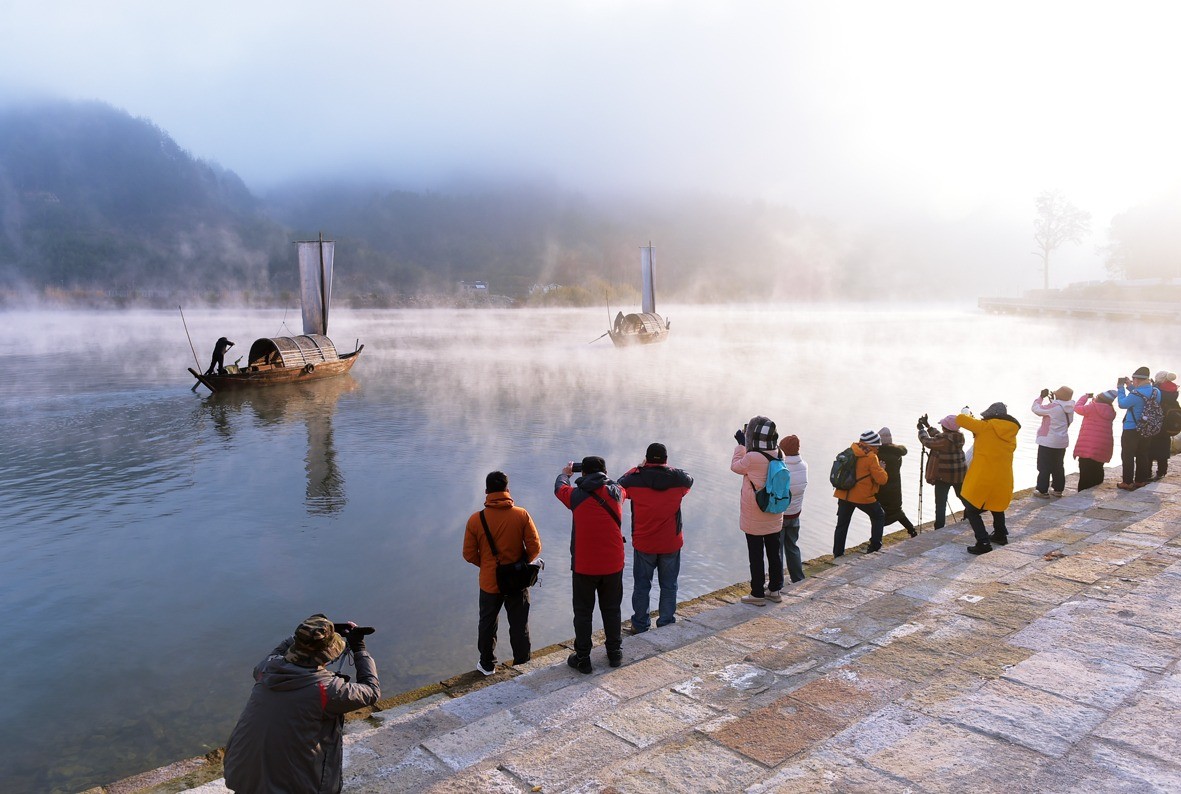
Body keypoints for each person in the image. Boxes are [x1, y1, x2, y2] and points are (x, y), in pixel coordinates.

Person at [223, 614, 380, 794]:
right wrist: (360, 649)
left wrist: (308, 635)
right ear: (328, 654)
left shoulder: (265, 669)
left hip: (240, 776)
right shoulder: (325, 690)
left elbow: (278, 652)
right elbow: (371, 691)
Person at [463, 470, 542, 676]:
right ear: (507, 490)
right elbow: (535, 547)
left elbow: (468, 554)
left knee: (487, 623)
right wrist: (520, 563)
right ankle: (522, 662)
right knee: (519, 623)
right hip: (517, 580)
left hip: (490, 582)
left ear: (486, 491)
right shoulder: (521, 514)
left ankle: (487, 665)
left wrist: (488, 566)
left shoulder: (475, 520)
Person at [555, 456, 626, 673]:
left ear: (582, 473)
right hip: (613, 563)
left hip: (584, 565)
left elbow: (559, 488)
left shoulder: (575, 496)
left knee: (583, 612)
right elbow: (623, 484)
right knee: (612, 609)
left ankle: (583, 658)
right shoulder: (617, 493)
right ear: (605, 472)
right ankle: (614, 653)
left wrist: (566, 474)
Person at [617, 443, 693, 633]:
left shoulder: (635, 479)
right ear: (666, 460)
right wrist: (668, 469)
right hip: (671, 542)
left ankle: (640, 625)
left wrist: (639, 468)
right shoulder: (678, 480)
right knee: (669, 585)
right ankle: (666, 623)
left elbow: (618, 486)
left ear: (647, 459)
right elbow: (689, 479)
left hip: (644, 543)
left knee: (642, 586)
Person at [731, 416, 785, 605]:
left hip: (755, 514)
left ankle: (757, 594)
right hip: (774, 510)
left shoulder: (752, 457)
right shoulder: (779, 453)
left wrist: (741, 445)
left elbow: (735, 466)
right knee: (774, 552)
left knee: (756, 554)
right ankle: (775, 590)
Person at [957, 402, 1020, 555]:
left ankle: (983, 542)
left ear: (991, 416)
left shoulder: (986, 426)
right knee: (996, 505)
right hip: (1003, 479)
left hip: (983, 478)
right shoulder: (1011, 433)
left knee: (971, 510)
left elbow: (960, 419)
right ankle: (1000, 534)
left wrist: (966, 413)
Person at [832, 430, 888, 557]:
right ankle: (874, 546)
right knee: (879, 515)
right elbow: (881, 480)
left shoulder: (849, 451)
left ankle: (838, 553)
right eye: (877, 446)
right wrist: (882, 469)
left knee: (842, 525)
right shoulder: (871, 457)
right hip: (862, 497)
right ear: (872, 445)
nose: (878, 448)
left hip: (844, 493)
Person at [917, 414, 967, 529]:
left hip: (943, 476)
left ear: (946, 428)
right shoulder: (958, 437)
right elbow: (939, 436)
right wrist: (928, 426)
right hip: (959, 474)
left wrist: (921, 431)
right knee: (962, 496)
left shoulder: (944, 441)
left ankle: (939, 527)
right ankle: (972, 513)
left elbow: (927, 442)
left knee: (940, 503)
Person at [1116, 366, 1159, 490]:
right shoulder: (1156, 391)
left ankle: (1127, 482)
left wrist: (1121, 389)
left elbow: (1122, 404)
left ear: (1137, 380)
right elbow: (1142, 396)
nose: (1132, 382)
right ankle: (1140, 480)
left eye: (1133, 380)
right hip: (1147, 427)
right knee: (1143, 453)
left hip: (1131, 428)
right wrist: (1130, 386)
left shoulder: (1135, 393)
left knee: (1127, 455)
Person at [1030, 386, 1076, 497]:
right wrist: (1053, 401)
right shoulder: (1069, 408)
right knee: (1058, 466)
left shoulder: (1053, 407)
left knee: (1044, 466)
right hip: (1061, 442)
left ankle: (1042, 490)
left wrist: (1041, 397)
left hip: (1048, 441)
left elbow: (1036, 409)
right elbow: (1058, 411)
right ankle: (1057, 489)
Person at [777, 434, 809, 584]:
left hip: (781, 516)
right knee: (792, 547)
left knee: (777, 551)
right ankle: (798, 578)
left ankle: (778, 583)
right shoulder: (804, 466)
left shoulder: (782, 468)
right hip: (795, 514)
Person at [874, 427, 916, 537]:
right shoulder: (897, 453)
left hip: (883, 489)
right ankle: (911, 529)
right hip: (896, 487)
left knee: (879, 516)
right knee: (897, 511)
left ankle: (875, 539)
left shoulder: (878, 456)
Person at [1073, 390, 1117, 491]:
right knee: (1098, 467)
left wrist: (1085, 397)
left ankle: (1082, 493)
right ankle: (1095, 488)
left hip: (1088, 445)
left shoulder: (1092, 407)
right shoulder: (1111, 410)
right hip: (1103, 445)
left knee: (1085, 470)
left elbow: (1077, 408)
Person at [1150, 371, 1178, 479]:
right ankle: (1162, 471)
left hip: (1158, 420)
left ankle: (1147, 472)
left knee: (1151, 446)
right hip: (1168, 423)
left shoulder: (1159, 390)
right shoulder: (1173, 389)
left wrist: (1154, 386)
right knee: (1163, 447)